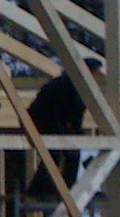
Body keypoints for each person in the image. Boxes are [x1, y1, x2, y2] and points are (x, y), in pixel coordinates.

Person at [24, 57, 103, 200]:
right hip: (42, 121)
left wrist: (75, 136)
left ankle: (58, 190)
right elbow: (58, 113)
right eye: (95, 73)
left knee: (64, 154)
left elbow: (75, 117)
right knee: (57, 153)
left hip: (46, 121)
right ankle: (45, 191)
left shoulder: (76, 86)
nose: (97, 78)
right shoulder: (69, 85)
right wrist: (68, 134)